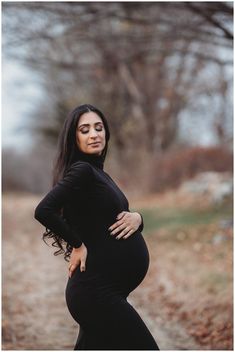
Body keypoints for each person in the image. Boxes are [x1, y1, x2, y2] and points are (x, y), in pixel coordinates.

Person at [34, 104, 159, 350]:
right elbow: (43, 210)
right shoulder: (82, 171)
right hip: (97, 293)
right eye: (85, 129)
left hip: (102, 292)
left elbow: (111, 217)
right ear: (74, 138)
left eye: (98, 128)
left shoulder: (97, 173)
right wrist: (77, 245)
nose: (94, 134)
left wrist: (138, 218)